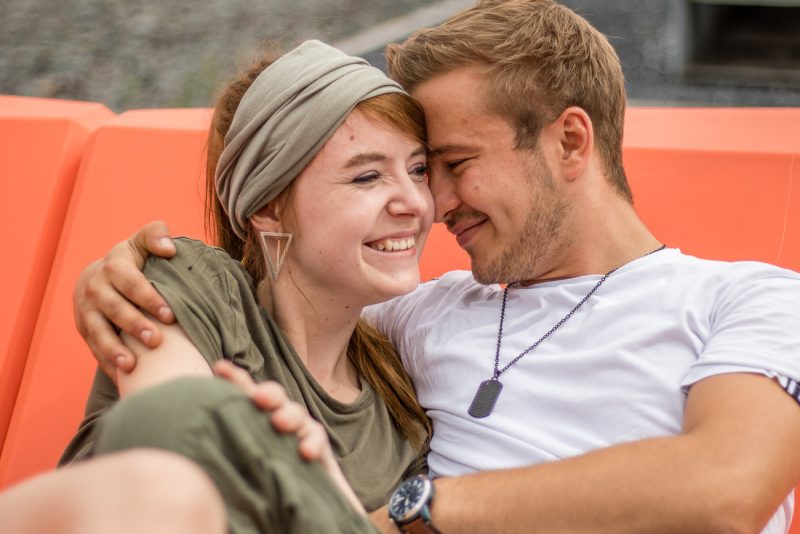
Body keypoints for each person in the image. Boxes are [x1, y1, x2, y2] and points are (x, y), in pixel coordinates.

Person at [74, 1, 800, 533]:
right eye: (425, 171)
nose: (432, 204)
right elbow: (287, 294)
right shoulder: (419, 313)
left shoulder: (748, 300)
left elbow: (727, 487)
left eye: (447, 165)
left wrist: (413, 512)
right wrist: (119, 274)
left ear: (570, 142)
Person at [3, 39, 438, 533]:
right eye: (366, 177)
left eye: (419, 169)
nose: (415, 202)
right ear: (267, 208)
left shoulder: (400, 406)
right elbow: (176, 442)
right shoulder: (192, 281)